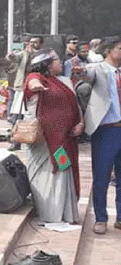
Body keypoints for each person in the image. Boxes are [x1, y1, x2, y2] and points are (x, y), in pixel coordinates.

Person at [23, 49, 83, 223]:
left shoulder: (63, 81)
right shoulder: (35, 77)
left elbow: (75, 105)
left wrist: (79, 123)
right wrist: (36, 85)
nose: (61, 62)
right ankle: (50, 214)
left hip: (65, 138)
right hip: (45, 140)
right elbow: (32, 82)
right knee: (50, 174)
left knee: (64, 171)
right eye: (57, 60)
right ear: (47, 64)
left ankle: (65, 214)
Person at [73, 37, 121, 235]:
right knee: (101, 176)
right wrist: (81, 71)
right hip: (106, 129)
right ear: (109, 51)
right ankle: (100, 218)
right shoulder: (99, 69)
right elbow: (88, 74)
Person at [6, 35, 43, 151]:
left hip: (36, 89)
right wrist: (11, 56)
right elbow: (15, 58)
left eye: (35, 43)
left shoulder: (43, 56)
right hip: (22, 88)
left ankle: (34, 139)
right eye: (31, 42)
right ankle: (16, 141)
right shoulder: (24, 53)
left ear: (40, 44)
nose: (32, 44)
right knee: (17, 115)